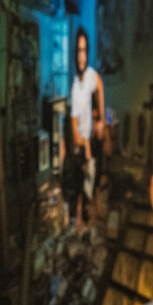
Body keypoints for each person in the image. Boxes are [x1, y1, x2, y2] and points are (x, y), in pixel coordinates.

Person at [62, 27, 106, 227]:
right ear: (74, 55)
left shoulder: (92, 76)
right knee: (76, 192)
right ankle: (75, 223)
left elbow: (100, 89)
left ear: (88, 52)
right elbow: (74, 130)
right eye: (78, 52)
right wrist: (85, 144)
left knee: (92, 193)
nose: (81, 56)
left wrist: (103, 120)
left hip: (92, 146)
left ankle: (89, 221)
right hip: (80, 147)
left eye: (84, 51)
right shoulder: (74, 88)